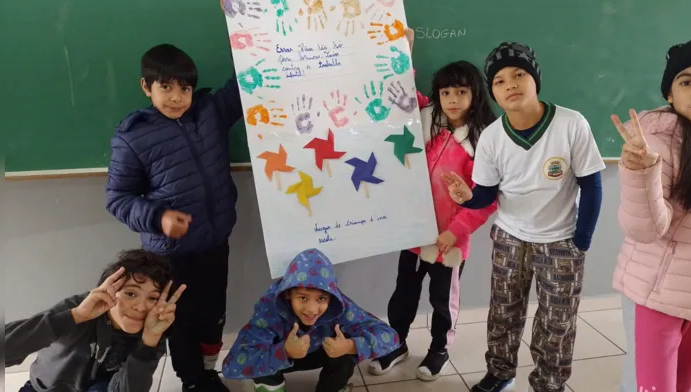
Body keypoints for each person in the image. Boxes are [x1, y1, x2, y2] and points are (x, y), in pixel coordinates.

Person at [443, 42, 605, 392]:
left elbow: (592, 186)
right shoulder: (491, 137)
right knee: (504, 311)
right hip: (510, 237)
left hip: (561, 240)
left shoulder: (570, 123)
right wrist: (468, 199)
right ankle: (501, 372)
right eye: (499, 81)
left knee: (556, 322)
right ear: (494, 93)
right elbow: (486, 193)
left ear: (535, 80)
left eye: (519, 74)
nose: (510, 84)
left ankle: (549, 382)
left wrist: (582, 240)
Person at [104, 43, 242, 391]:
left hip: (214, 240)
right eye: (166, 87)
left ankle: (209, 371)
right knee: (178, 321)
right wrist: (158, 217)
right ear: (146, 87)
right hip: (170, 252)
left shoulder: (211, 111)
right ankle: (193, 380)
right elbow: (118, 198)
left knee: (213, 313)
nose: (178, 97)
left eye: (185, 88)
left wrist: (241, 22)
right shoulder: (132, 137)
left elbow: (247, 83)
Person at [367, 61, 497, 381]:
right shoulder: (428, 120)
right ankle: (396, 343)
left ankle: (440, 347)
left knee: (443, 299)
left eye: (461, 92)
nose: (452, 99)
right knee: (404, 294)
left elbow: (487, 200)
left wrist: (455, 231)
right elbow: (401, 96)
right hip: (415, 232)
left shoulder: (484, 141)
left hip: (451, 240)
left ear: (475, 94)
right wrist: (404, 54)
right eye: (445, 92)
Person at [611, 36, 691, 392]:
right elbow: (646, 230)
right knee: (651, 387)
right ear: (670, 95)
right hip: (659, 292)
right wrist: (642, 172)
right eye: (687, 82)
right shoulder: (658, 140)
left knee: (689, 385)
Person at [221, 248, 400, 392]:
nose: (312, 309)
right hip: (281, 355)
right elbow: (232, 365)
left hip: (321, 352)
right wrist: (283, 351)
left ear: (331, 296)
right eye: (303, 298)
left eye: (321, 298)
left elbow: (390, 336)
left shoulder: (339, 305)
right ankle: (269, 386)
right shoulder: (269, 308)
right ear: (288, 294)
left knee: (346, 352)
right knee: (259, 356)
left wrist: (350, 346)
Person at [5, 249, 185, 392]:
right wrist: (75, 316)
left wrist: (148, 342)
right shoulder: (79, 308)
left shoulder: (153, 329)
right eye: (130, 293)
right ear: (110, 289)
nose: (141, 307)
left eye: (153, 298)